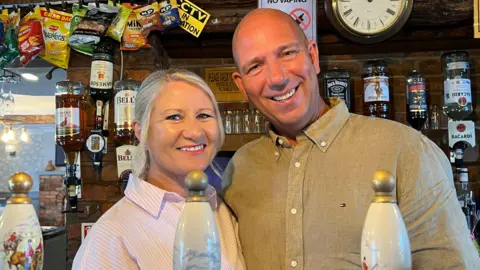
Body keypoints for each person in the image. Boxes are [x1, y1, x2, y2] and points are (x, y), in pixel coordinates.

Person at [222, 8, 480, 269]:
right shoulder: (239, 170)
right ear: (241, 85)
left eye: (287, 53)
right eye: (255, 66)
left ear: (313, 56)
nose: (277, 78)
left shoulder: (406, 150)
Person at [73, 69, 245, 269]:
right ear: (141, 131)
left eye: (204, 115)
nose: (195, 132)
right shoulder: (111, 235)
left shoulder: (222, 209)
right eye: (174, 117)